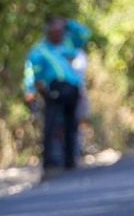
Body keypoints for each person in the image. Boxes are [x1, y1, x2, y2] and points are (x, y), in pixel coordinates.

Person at [24, 17, 91, 173]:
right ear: (49, 32)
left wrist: (68, 23)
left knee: (71, 124)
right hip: (53, 89)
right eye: (56, 31)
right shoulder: (39, 51)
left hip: (72, 88)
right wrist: (31, 91)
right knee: (51, 125)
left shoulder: (65, 48)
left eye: (61, 31)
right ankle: (49, 164)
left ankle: (70, 161)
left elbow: (85, 35)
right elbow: (32, 73)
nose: (60, 34)